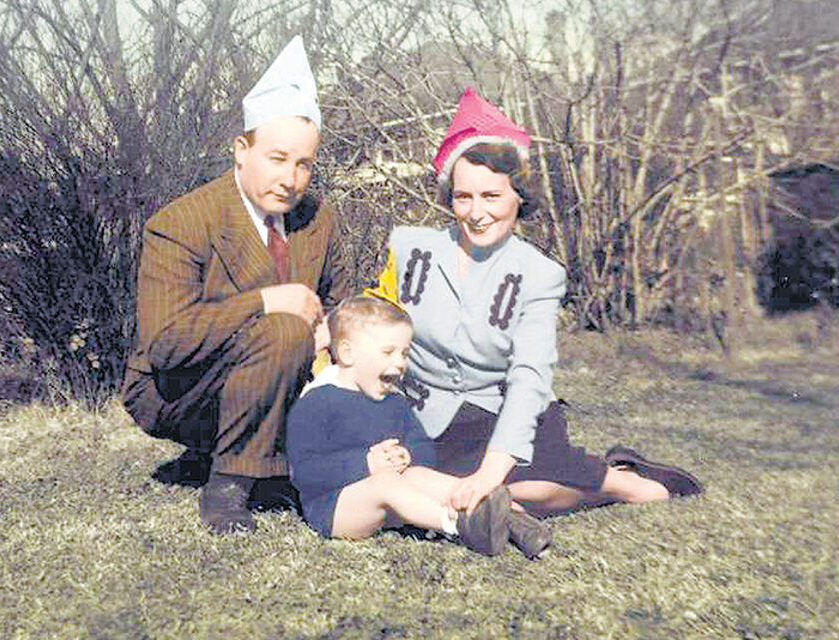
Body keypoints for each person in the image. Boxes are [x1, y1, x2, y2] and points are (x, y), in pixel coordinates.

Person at [368, 87, 703, 537]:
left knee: (527, 491)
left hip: (507, 412)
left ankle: (624, 483)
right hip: (431, 420)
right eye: (462, 197)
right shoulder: (408, 248)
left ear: (519, 197)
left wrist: (489, 473)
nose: (477, 212)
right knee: (426, 483)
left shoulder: (540, 275)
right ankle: (546, 486)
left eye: (492, 196)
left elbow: (529, 378)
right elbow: (376, 322)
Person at [123, 36, 350, 534]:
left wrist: (334, 331)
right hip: (176, 389)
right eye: (277, 158)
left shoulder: (318, 219)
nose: (291, 178)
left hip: (281, 378)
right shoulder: (182, 221)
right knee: (284, 329)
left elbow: (333, 299)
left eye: (304, 164)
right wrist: (270, 301)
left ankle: (278, 463)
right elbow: (165, 345)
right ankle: (228, 486)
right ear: (241, 150)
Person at [286, 296, 513, 556]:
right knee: (386, 482)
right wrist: (366, 464)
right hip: (335, 507)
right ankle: (459, 525)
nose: (400, 362)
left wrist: (408, 455)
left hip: (391, 500)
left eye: (404, 353)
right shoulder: (317, 401)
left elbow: (424, 447)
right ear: (348, 353)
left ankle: (486, 508)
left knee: (417, 475)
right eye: (387, 352)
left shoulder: (395, 401)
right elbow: (304, 472)